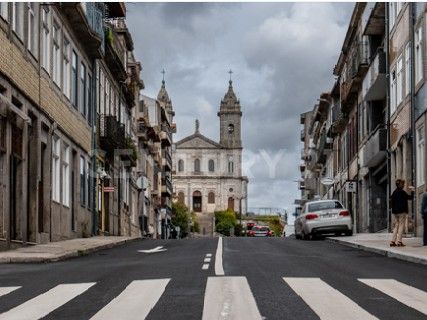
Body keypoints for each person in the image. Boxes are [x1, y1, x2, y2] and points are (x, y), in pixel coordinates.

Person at [390, 179, 414, 247]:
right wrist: (412, 190)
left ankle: (392, 241)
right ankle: (399, 241)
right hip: (401, 212)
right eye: (403, 184)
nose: (403, 185)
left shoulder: (394, 192)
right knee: (401, 226)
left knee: (396, 226)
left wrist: (394, 209)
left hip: (395, 212)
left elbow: (391, 202)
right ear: (400, 185)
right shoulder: (402, 192)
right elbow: (410, 198)